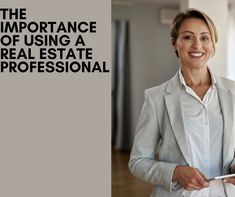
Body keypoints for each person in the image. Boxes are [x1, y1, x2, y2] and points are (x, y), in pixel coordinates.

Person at [128, 8, 235, 197]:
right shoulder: (156, 98)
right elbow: (138, 161)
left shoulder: (233, 92)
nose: (197, 45)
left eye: (204, 38)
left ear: (213, 45)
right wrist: (176, 172)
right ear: (174, 44)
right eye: (187, 37)